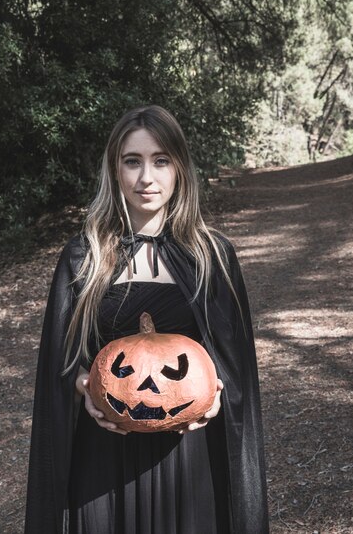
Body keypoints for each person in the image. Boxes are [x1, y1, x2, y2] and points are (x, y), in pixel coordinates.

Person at [24, 105, 269, 534]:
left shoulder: (213, 257)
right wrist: (83, 385)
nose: (146, 178)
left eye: (160, 160)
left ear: (180, 168)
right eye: (132, 161)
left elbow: (237, 368)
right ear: (114, 170)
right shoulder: (84, 257)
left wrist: (217, 395)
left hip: (189, 458)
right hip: (103, 458)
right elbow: (59, 366)